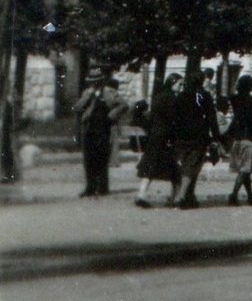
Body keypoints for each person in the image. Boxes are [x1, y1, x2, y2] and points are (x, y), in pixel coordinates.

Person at [172, 68, 221, 209]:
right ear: (202, 80)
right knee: (193, 165)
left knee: (184, 164)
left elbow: (175, 115)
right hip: (199, 134)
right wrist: (216, 136)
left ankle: (189, 196)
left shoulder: (181, 95)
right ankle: (182, 196)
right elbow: (211, 117)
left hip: (181, 134)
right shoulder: (203, 96)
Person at [74, 72, 127, 198]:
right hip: (89, 128)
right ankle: (90, 187)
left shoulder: (110, 92)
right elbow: (77, 108)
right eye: (91, 81)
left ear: (101, 81)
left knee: (102, 157)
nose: (93, 84)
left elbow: (123, 105)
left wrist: (111, 116)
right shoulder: (87, 93)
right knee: (88, 158)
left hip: (104, 128)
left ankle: (103, 187)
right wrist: (88, 96)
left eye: (96, 81)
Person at [136, 73, 182, 208]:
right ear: (173, 83)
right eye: (179, 84)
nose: (180, 87)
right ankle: (175, 197)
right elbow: (173, 119)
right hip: (166, 136)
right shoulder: (172, 98)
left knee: (150, 166)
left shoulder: (158, 96)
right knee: (175, 167)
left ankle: (141, 194)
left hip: (155, 136)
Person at [226, 75, 252, 205]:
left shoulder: (234, 99)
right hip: (250, 137)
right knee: (246, 168)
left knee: (244, 169)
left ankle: (251, 196)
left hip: (237, 136)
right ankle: (233, 194)